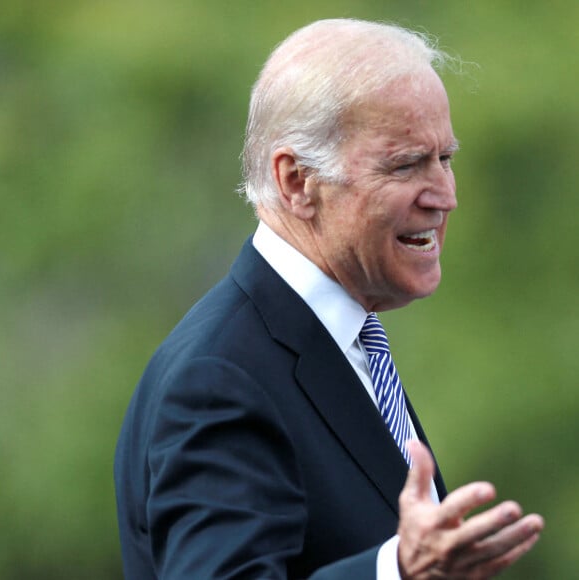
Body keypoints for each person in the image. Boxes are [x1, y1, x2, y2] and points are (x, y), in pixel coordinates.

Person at [114, 18, 544, 579]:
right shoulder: (218, 380)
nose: (444, 196)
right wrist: (395, 571)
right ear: (296, 182)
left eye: (446, 159)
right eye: (407, 163)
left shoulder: (342, 338)